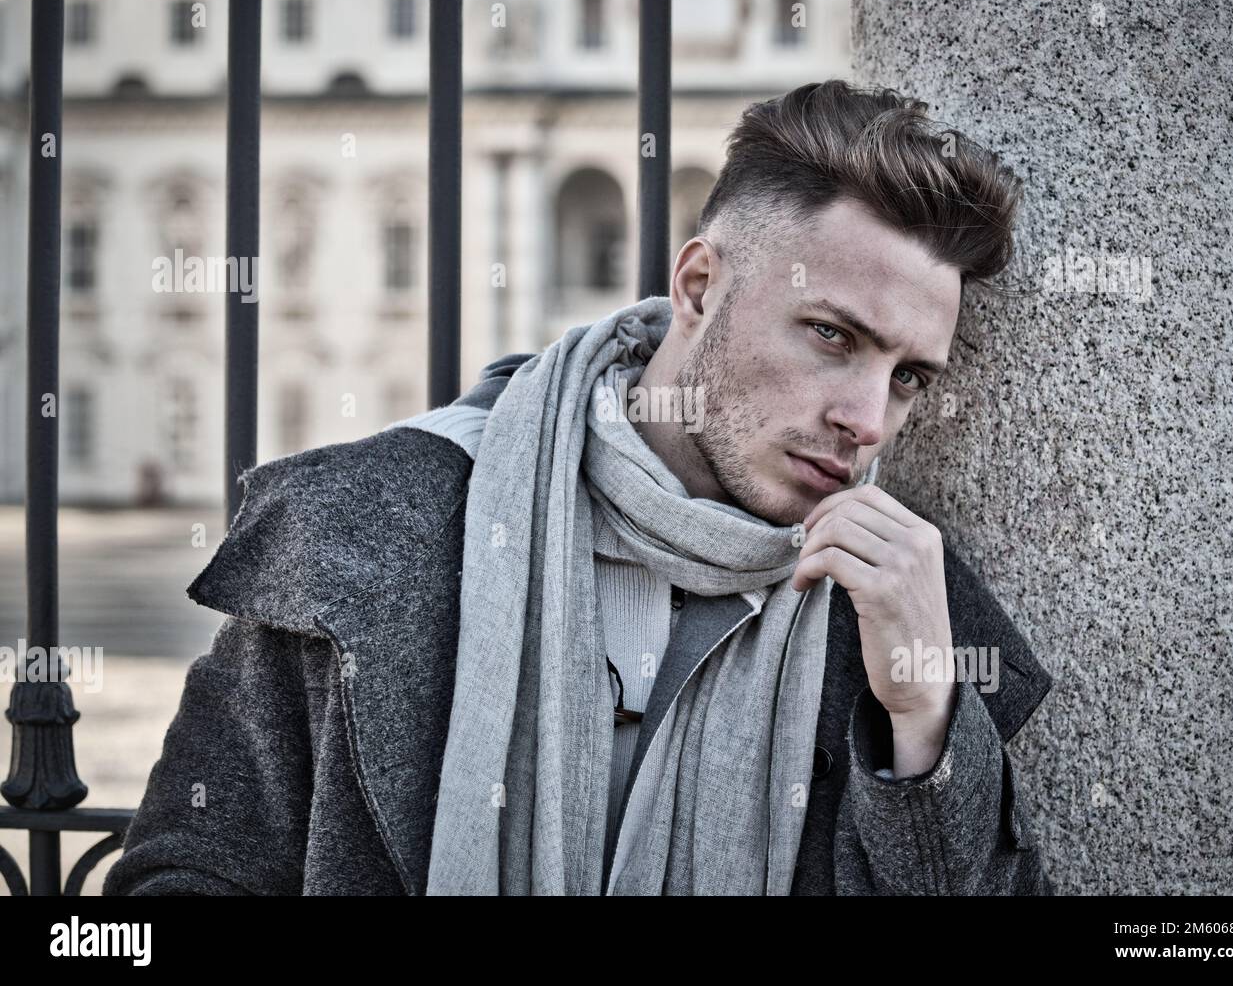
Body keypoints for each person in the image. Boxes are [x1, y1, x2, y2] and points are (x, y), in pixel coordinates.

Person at [105, 80, 1054, 896]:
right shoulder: (363, 525)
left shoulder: (897, 604)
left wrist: (926, 725)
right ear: (697, 285)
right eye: (832, 335)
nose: (868, 417)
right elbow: (182, 877)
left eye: (908, 375)